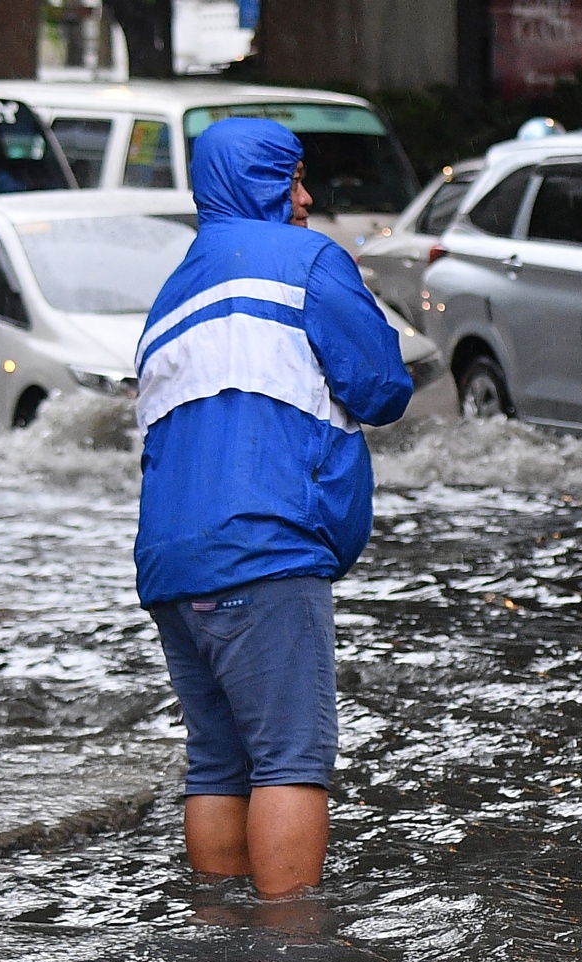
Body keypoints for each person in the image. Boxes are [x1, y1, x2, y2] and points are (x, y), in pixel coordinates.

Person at [134, 118, 413, 897]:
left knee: (217, 762)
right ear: (261, 183)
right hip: (265, 550)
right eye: (291, 179)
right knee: (292, 759)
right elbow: (382, 387)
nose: (306, 196)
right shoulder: (308, 261)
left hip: (170, 568)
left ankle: (220, 941)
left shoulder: (171, 291)